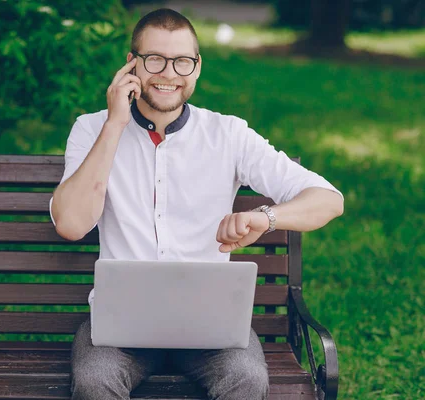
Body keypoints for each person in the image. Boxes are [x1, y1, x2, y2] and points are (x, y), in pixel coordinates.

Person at [50, 8, 344, 400]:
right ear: (131, 65)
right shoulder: (92, 129)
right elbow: (70, 224)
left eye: (182, 62)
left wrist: (267, 217)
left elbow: (329, 200)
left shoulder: (228, 134)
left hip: (211, 330)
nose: (169, 73)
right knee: (95, 379)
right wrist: (115, 124)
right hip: (119, 329)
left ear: (197, 67)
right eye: (154, 59)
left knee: (247, 377)